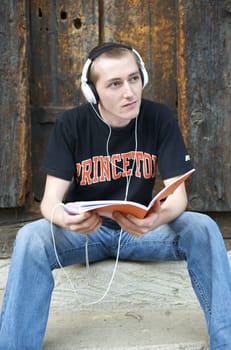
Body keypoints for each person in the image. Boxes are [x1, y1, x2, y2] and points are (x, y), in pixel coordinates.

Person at [0, 42, 231, 350]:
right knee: (31, 237)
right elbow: (50, 203)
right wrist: (67, 221)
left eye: (134, 79)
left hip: (139, 233)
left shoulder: (159, 118)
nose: (129, 92)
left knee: (202, 227)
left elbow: (178, 197)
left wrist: (155, 219)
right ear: (92, 92)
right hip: (87, 234)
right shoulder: (71, 124)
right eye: (115, 84)